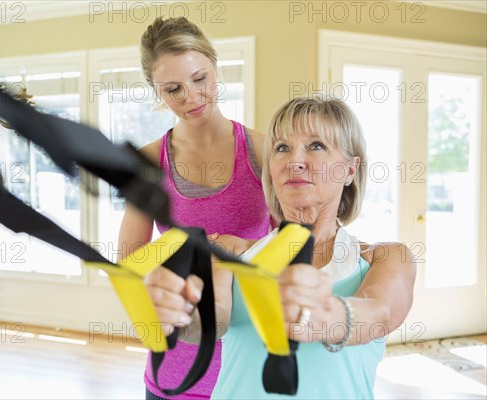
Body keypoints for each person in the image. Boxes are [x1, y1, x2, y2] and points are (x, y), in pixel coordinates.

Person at [144, 96, 417, 399]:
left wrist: (323, 314)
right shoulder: (231, 252)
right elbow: (210, 323)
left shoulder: (387, 257)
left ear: (350, 170)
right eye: (282, 148)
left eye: (316, 146)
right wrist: (178, 311)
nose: (295, 161)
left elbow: (379, 314)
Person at [118, 16, 273, 400]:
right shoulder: (148, 162)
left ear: (216, 67)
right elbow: (129, 262)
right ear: (157, 92)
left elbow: (300, 247)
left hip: (251, 366)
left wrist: (239, 251)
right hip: (176, 370)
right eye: (173, 89)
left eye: (200, 78)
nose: (192, 97)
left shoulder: (265, 151)